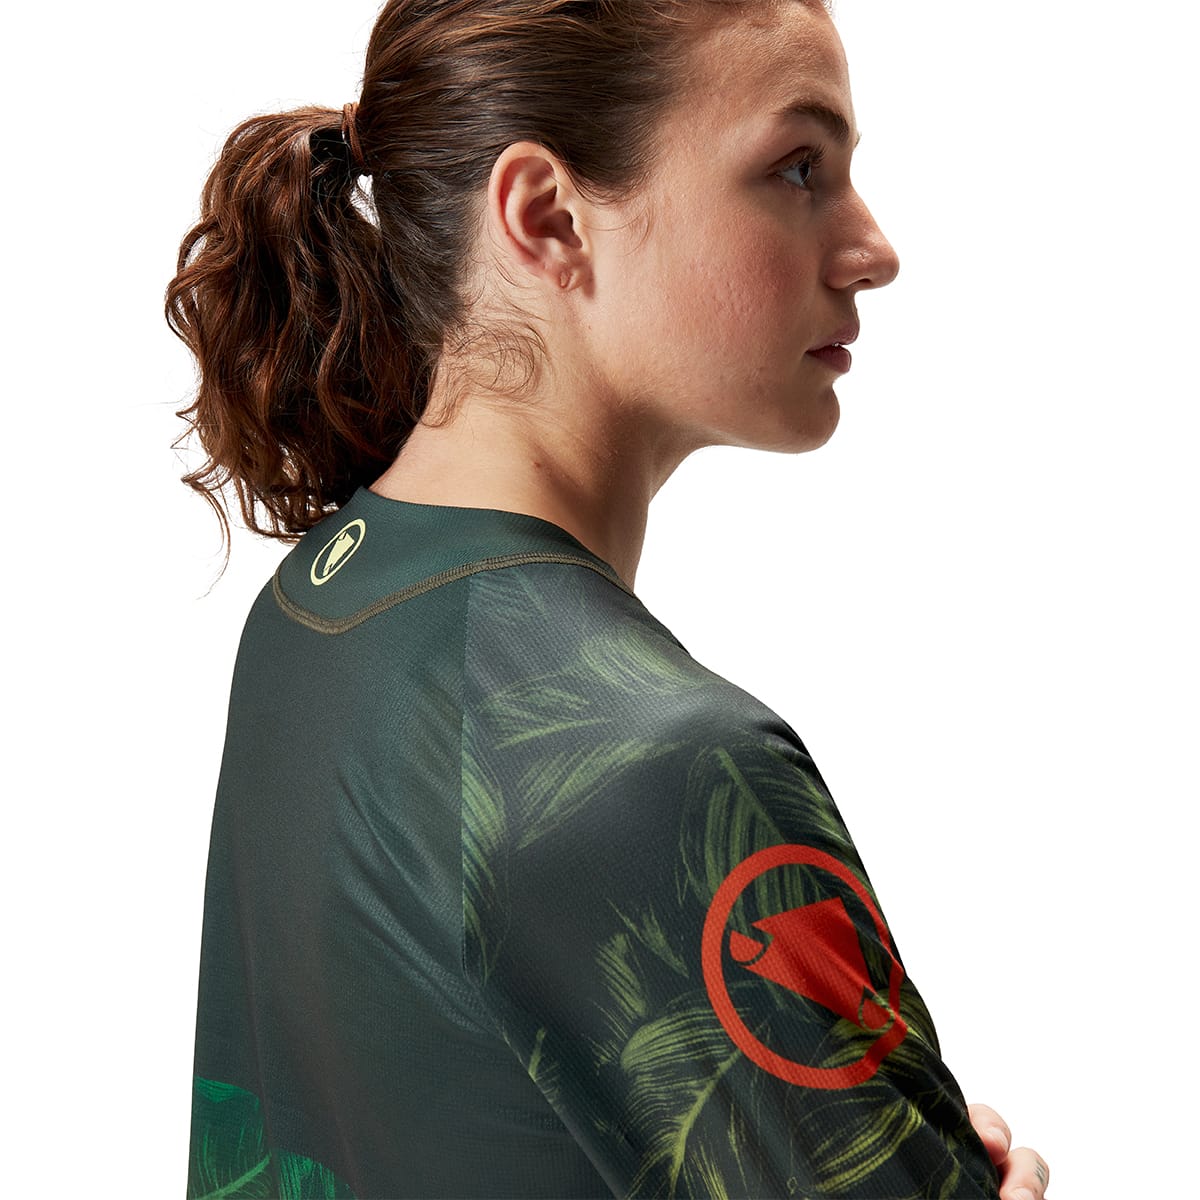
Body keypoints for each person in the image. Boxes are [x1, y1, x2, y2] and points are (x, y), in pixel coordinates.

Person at [168, 1, 1051, 1196]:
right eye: (798, 168)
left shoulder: (316, 610)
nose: (872, 248)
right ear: (548, 217)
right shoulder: (653, 769)